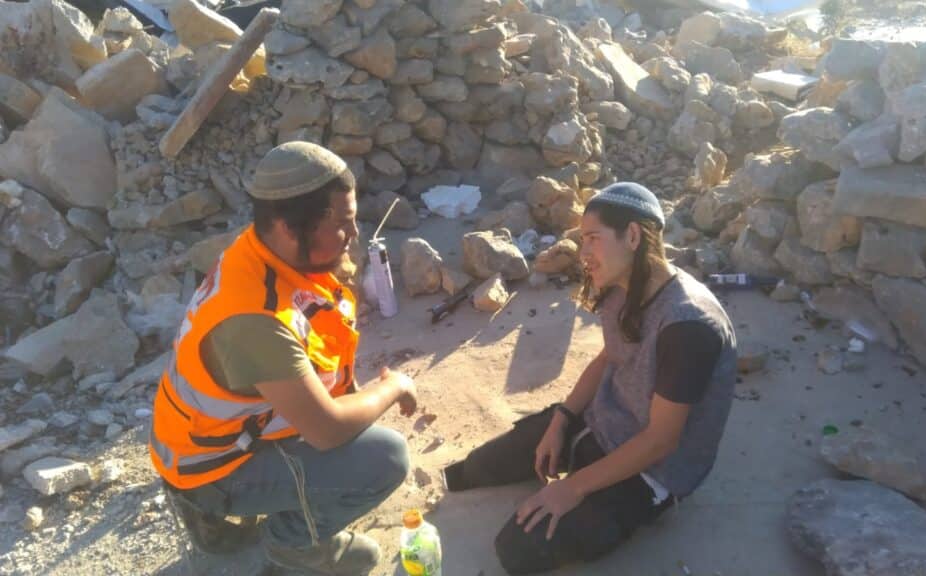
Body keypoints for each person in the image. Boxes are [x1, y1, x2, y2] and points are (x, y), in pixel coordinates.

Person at [149, 142, 416, 576]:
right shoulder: (255, 320)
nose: (354, 234)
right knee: (383, 459)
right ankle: (293, 545)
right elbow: (327, 430)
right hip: (209, 466)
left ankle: (216, 522)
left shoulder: (258, 252)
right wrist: (394, 386)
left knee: (350, 433)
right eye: (341, 224)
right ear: (289, 228)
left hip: (199, 441)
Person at [443, 182, 738, 574]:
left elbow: (660, 441)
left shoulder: (688, 325)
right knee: (475, 468)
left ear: (632, 236)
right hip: (605, 422)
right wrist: (561, 420)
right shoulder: (623, 284)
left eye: (593, 239)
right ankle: (570, 455)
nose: (583, 254)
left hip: (651, 468)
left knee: (517, 549)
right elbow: (608, 357)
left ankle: (633, 505)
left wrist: (573, 486)